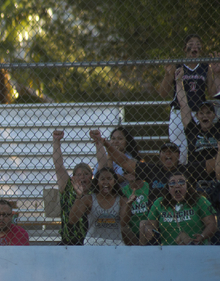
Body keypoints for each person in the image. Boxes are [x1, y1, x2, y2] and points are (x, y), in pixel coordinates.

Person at [91, 130, 217, 206]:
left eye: (172, 151)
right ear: (160, 156)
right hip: (157, 220)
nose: (168, 154)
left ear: (178, 156)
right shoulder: (152, 170)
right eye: (165, 151)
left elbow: (214, 163)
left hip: (184, 216)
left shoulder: (188, 169)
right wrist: (106, 143)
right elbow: (124, 162)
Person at [158, 34, 215, 164]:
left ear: (201, 49)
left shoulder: (206, 67)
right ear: (185, 48)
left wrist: (215, 73)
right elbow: (163, 93)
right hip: (179, 111)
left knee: (198, 148)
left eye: (197, 44)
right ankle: (179, 178)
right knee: (178, 150)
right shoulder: (177, 66)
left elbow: (212, 93)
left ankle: (196, 178)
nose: (195, 46)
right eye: (191, 43)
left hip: (199, 114)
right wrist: (168, 75)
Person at [141, 172, 217, 245]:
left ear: (188, 186)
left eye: (181, 182)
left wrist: (202, 236)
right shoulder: (159, 202)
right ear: (168, 187)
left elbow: (212, 224)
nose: (177, 185)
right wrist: (149, 230)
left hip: (195, 248)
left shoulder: (199, 200)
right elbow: (150, 224)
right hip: (168, 250)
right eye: (172, 183)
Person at [69, 167, 131, 246]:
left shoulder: (122, 200)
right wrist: (78, 196)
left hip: (115, 242)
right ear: (97, 182)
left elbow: (124, 223)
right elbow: (72, 220)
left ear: (115, 181)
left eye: (109, 179)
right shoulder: (89, 199)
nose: (106, 182)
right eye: (102, 179)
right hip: (93, 241)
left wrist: (129, 204)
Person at [52, 130, 93, 245]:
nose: (82, 177)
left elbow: (103, 164)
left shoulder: (95, 188)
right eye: (79, 175)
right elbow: (58, 165)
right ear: (73, 178)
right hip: (69, 240)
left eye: (86, 174)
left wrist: (99, 142)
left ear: (92, 176)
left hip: (90, 240)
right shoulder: (68, 187)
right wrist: (56, 141)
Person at [175, 67, 219, 166]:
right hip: (196, 172)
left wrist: (216, 75)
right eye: (201, 113)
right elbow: (183, 105)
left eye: (208, 113)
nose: (205, 116)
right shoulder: (193, 129)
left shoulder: (218, 129)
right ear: (197, 115)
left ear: (214, 115)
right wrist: (179, 80)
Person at [121, 171, 150, 245]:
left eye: (133, 169)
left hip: (148, 228)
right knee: (123, 228)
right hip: (132, 231)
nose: (130, 173)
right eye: (126, 171)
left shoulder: (149, 187)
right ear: (124, 175)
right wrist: (129, 204)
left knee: (143, 224)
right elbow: (123, 221)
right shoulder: (123, 191)